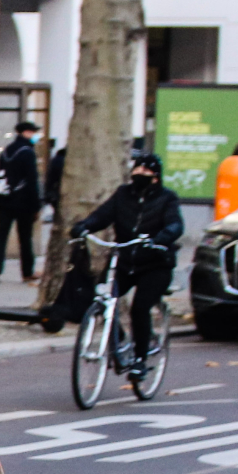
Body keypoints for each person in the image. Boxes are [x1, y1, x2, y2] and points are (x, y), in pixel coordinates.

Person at [73, 150, 187, 363]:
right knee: (100, 296)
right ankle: (120, 340)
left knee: (140, 308)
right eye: (136, 168)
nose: (138, 172)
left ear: (156, 176)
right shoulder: (122, 194)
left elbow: (175, 224)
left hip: (155, 263)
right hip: (124, 262)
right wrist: (84, 227)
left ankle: (140, 360)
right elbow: (102, 216)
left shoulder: (167, 198)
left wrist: (162, 238)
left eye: (144, 170)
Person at [0, 120, 43, 284]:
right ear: (26, 133)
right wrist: (36, 206)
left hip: (4, 200)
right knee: (25, 237)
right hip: (23, 202)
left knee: (1, 235)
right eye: (32, 132)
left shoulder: (6, 151)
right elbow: (32, 181)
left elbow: (1, 175)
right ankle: (27, 272)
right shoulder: (28, 152)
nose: (34, 135)